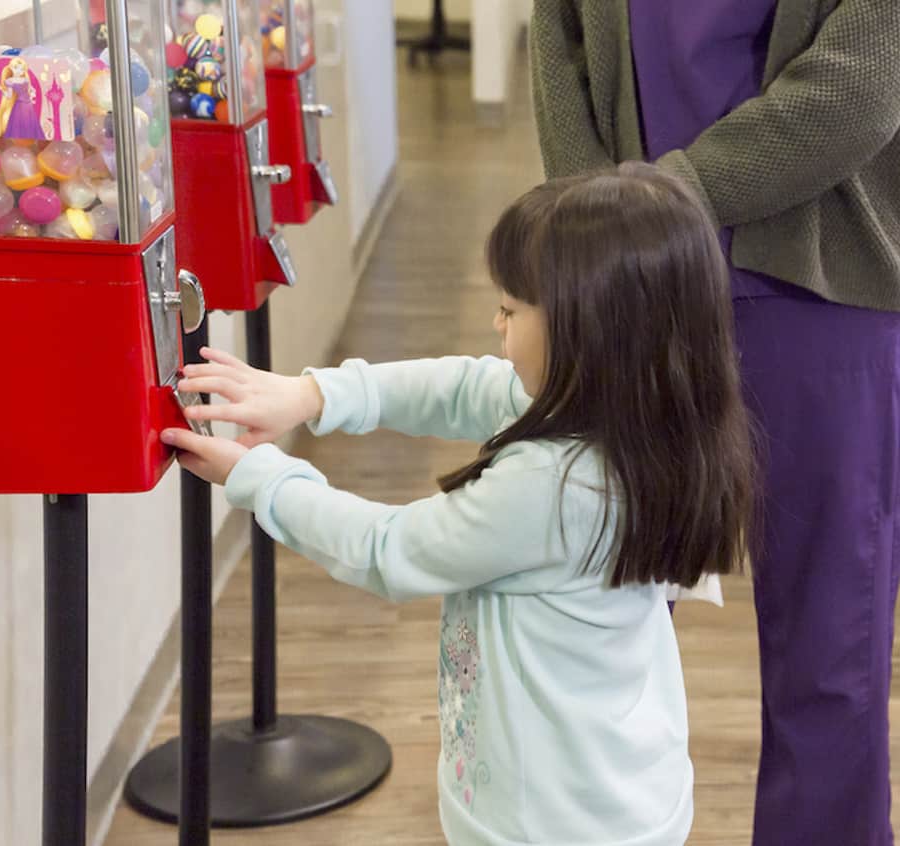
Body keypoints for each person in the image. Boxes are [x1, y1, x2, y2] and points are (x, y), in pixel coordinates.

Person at [161, 164, 755, 845]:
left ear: (590, 330)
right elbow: (469, 387)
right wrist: (316, 395)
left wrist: (259, 477)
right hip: (620, 792)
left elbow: (388, 551)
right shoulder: (644, 417)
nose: (494, 319)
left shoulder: (557, 487)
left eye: (512, 308)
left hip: (547, 824)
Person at [529, 2, 900, 843]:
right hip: (632, 279)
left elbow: (867, 86)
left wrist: (655, 201)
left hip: (819, 284)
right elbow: (560, 40)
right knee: (601, 623)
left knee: (830, 644)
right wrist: (595, 223)